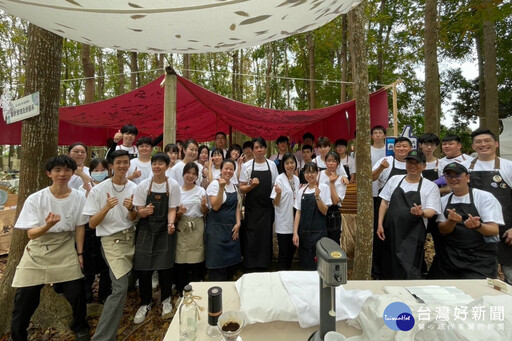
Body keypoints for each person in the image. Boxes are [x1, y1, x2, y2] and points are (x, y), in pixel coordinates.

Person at [10, 155, 90, 341]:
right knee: (24, 298)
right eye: (57, 170)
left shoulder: (78, 197)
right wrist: (47, 225)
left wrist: (79, 253)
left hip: (65, 247)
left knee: (77, 292)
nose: (62, 174)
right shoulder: (36, 198)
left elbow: (79, 227)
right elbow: (31, 234)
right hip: (38, 249)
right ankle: (18, 335)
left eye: (67, 170)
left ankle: (80, 327)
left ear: (72, 173)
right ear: (49, 173)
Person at [83, 150, 138, 341]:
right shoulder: (99, 190)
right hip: (111, 242)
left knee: (125, 285)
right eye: (118, 163)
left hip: (130, 238)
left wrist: (131, 209)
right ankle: (102, 337)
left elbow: (133, 218)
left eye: (126, 162)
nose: (122, 166)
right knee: (120, 288)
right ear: (111, 166)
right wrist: (106, 207)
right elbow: (91, 223)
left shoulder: (133, 187)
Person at [428, 162, 503, 279]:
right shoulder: (443, 201)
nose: (453, 179)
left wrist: (478, 226)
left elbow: (494, 230)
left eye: (457, 175)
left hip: (479, 260)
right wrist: (451, 221)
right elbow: (443, 230)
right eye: (449, 176)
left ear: (467, 178)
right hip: (449, 259)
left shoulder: (485, 198)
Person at [132, 152, 181, 323]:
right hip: (145, 230)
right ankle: (145, 302)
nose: (157, 166)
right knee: (143, 268)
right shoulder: (144, 186)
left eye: (161, 163)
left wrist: (171, 223)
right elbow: (138, 210)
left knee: (165, 267)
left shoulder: (173, 185)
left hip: (164, 230)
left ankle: (166, 300)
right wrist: (143, 212)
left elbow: (172, 208)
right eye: (154, 163)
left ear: (167, 166)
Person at [377, 150, 441, 279]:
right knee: (389, 263)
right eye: (410, 162)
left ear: (424, 166)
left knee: (409, 266)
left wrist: (421, 212)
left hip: (413, 235)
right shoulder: (394, 180)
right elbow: (384, 202)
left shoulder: (430, 186)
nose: (413, 166)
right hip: (391, 230)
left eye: (416, 163)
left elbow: (432, 210)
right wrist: (380, 224)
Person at [465, 128, 512, 283]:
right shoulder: (465, 167)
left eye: (487, 141)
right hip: (474, 228)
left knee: (509, 273)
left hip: (506, 229)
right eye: (478, 142)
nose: (483, 144)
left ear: (496, 144)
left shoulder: (508, 167)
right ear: (473, 146)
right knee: (478, 278)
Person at [371, 136, 412, 279]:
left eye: (405, 146)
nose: (401, 149)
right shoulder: (386, 161)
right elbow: (371, 177)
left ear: (411, 148)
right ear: (393, 148)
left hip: (408, 207)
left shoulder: (413, 163)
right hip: (385, 205)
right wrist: (381, 167)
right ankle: (379, 273)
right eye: (398, 146)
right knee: (381, 239)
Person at [240, 137, 278, 272]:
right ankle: (250, 266)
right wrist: (252, 186)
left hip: (267, 209)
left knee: (265, 236)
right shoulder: (247, 166)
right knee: (251, 236)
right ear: (253, 150)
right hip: (252, 209)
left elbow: (275, 185)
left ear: (266, 149)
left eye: (261, 147)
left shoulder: (272, 165)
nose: (259, 150)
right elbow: (242, 188)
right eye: (256, 147)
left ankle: (264, 265)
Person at [81, 158, 112, 304]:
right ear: (91, 172)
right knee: (88, 263)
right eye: (96, 170)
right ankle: (86, 293)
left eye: (102, 170)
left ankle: (104, 293)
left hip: (107, 228)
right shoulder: (82, 188)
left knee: (106, 263)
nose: (99, 173)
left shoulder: (111, 186)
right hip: (88, 229)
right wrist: (88, 193)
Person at [205, 159, 242, 280]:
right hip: (216, 231)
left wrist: (238, 223)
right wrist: (221, 188)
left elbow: (237, 207)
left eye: (231, 169)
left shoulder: (234, 187)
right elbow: (215, 206)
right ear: (221, 170)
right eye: (226, 168)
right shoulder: (214, 184)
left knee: (232, 265)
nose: (228, 171)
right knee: (217, 267)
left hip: (231, 230)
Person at [175, 162, 208, 294]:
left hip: (197, 226)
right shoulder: (177, 190)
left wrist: (204, 205)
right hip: (182, 226)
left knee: (197, 257)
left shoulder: (201, 190)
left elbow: (205, 212)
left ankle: (196, 287)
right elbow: (173, 213)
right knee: (181, 257)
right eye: (188, 173)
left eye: (194, 174)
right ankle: (181, 288)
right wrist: (180, 213)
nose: (190, 176)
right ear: (183, 174)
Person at [292, 162, 332, 270]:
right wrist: (295, 233)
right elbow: (298, 212)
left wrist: (318, 197)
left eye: (312, 172)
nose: (310, 175)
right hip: (304, 234)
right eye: (307, 172)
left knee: (319, 264)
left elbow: (324, 211)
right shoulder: (301, 191)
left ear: (317, 173)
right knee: (305, 264)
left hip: (319, 233)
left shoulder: (323, 188)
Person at [270, 153, 300, 270]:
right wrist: (278, 193)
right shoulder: (279, 179)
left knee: (292, 251)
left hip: (295, 221)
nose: (290, 165)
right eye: (287, 163)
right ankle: (282, 276)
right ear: (283, 165)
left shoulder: (297, 179)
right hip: (283, 220)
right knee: (284, 253)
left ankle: (288, 276)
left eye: (292, 163)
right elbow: (275, 203)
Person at [318, 151, 347, 245]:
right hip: (319, 209)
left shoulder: (341, 180)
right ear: (325, 162)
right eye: (328, 161)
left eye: (334, 161)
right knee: (319, 241)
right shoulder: (319, 175)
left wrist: (331, 183)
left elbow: (335, 201)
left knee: (333, 242)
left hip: (333, 213)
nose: (331, 163)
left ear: (338, 163)